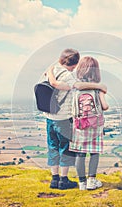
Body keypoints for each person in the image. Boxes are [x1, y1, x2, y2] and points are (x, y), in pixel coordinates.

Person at [45, 49, 107, 190]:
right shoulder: (69, 77)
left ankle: (54, 179)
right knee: (65, 149)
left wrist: (49, 70)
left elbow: (53, 83)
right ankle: (63, 180)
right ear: (74, 64)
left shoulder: (53, 71)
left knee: (53, 147)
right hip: (63, 119)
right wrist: (100, 87)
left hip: (49, 117)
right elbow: (78, 86)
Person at [69, 57, 109, 190]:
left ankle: (82, 183)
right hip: (95, 126)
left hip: (80, 126)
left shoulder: (75, 88)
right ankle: (92, 180)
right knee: (94, 153)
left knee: (80, 154)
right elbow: (105, 106)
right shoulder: (98, 89)